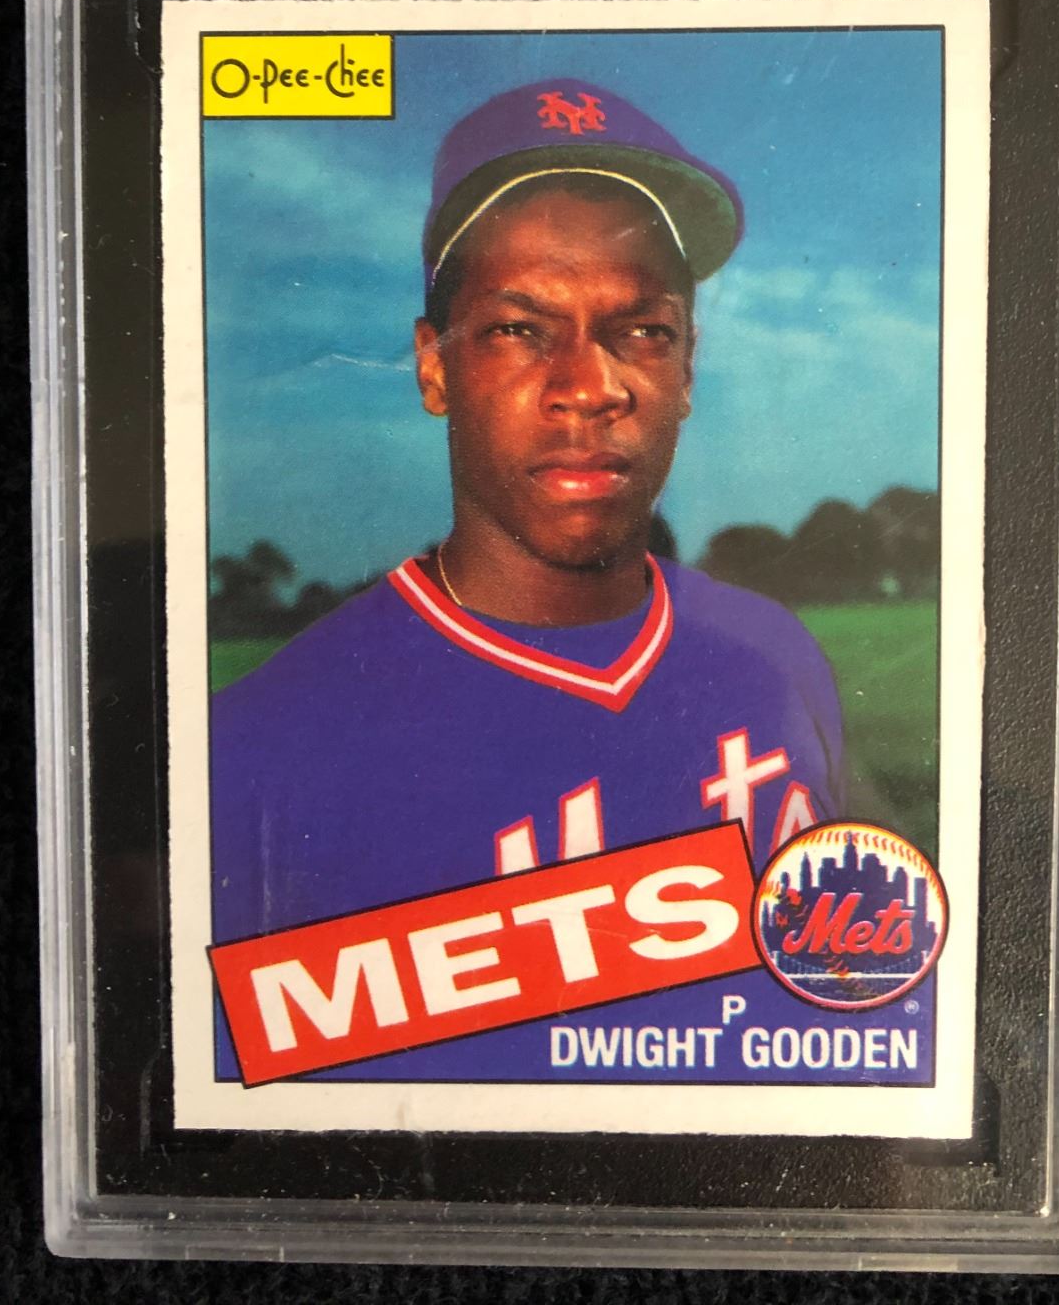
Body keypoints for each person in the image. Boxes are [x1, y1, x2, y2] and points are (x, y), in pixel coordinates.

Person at [210, 78, 844, 1079]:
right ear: (434, 367)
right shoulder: (254, 753)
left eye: (642, 330)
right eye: (519, 329)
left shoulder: (776, 657)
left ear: (685, 369)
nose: (590, 385)